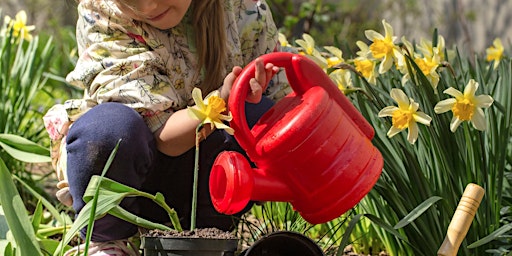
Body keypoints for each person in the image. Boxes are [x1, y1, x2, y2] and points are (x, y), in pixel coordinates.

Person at [43, 0, 290, 255]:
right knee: (106, 131)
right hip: (135, 177)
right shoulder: (104, 15)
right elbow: (166, 139)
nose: (149, 7)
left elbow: (286, 101)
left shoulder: (243, 9)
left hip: (204, 181)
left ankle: (210, 237)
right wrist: (222, 99)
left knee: (260, 116)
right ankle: (109, 239)